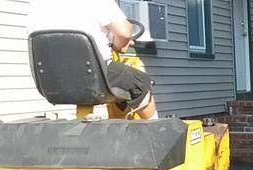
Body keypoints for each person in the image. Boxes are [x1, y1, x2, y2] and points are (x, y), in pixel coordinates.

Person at [27, 0, 158, 119]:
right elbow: (124, 31)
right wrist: (119, 46)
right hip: (93, 73)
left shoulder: (36, 4)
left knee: (120, 81)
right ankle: (157, 132)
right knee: (142, 83)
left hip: (51, 79)